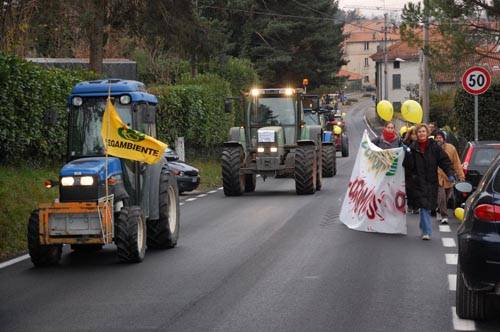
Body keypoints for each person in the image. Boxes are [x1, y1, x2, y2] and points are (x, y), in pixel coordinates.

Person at [403, 123, 454, 240]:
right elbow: (407, 167)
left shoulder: (434, 147)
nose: (421, 133)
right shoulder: (413, 147)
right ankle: (427, 231)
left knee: (426, 206)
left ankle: (423, 227)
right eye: (419, 132)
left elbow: (444, 161)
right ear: (416, 134)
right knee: (423, 205)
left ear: (427, 133)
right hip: (418, 183)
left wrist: (450, 174)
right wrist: (408, 154)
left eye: (423, 131)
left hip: (431, 182)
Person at [435, 130, 465, 224]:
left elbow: (456, 163)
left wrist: (461, 175)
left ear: (444, 139)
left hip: (449, 176)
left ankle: (439, 209)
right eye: (437, 137)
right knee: (441, 196)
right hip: (437, 176)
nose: (438, 139)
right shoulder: (432, 148)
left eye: (440, 137)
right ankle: (444, 216)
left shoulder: (451, 148)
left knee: (447, 196)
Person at [402, 126, 418, 214]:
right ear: (410, 135)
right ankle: (410, 205)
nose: (415, 136)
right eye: (413, 134)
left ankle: (416, 206)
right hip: (408, 169)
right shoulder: (406, 143)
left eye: (416, 134)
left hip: (418, 169)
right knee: (409, 189)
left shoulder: (421, 144)